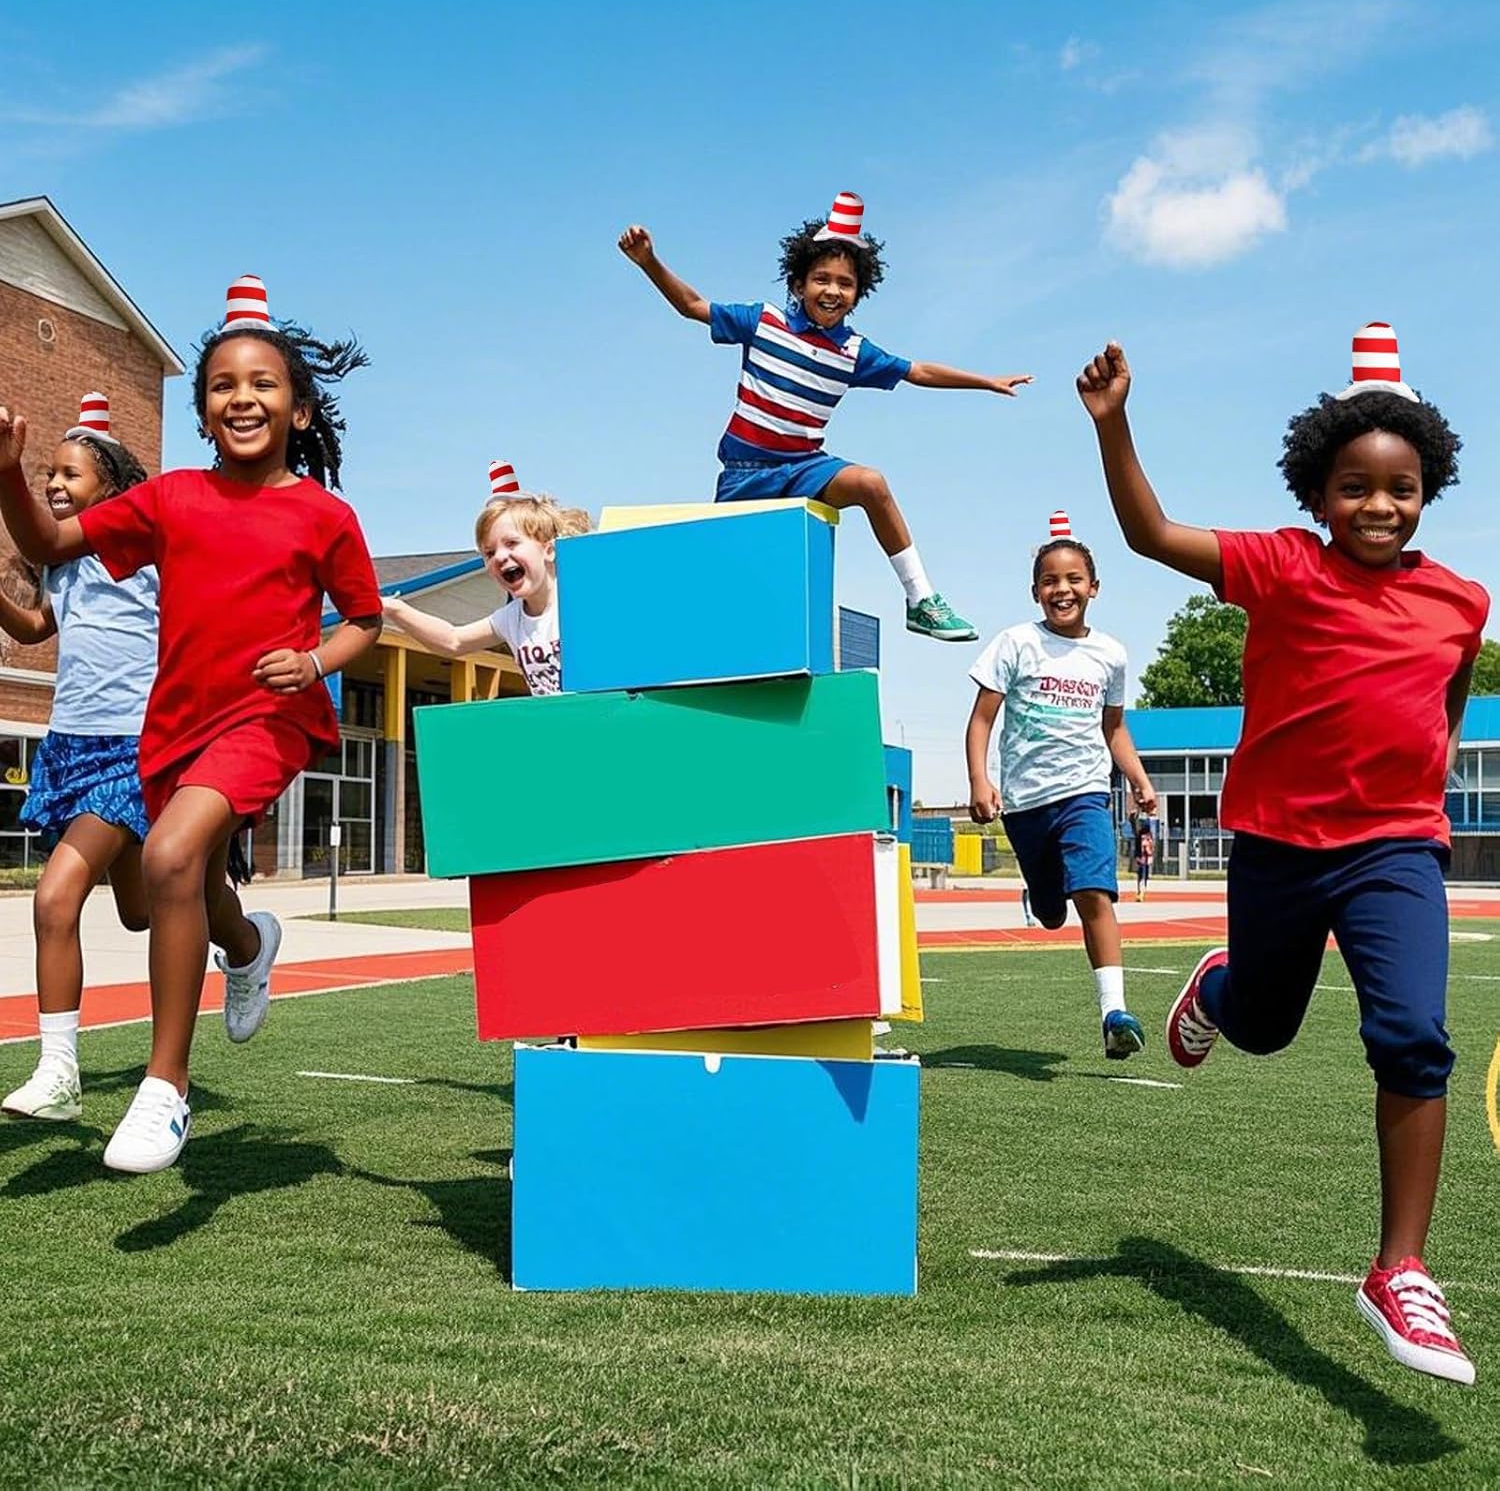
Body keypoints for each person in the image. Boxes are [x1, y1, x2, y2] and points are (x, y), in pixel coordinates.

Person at [1077, 324, 1486, 1386]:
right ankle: (1218, 987)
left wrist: (1417, 800)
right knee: (1262, 1023)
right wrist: (1115, 426)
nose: (1380, 506)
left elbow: (1442, 710)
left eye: (1401, 488)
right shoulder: (1278, 564)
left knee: (1412, 1036)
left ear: (1429, 488)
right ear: (1318, 491)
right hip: (1276, 849)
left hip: (1397, 848)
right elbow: (1151, 533)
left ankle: (1399, 1269)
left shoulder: (1462, 603)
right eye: (1355, 486)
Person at [0, 275, 383, 1173]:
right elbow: (53, 546)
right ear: (203, 413)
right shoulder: (170, 499)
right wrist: (6, 475)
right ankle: (248, 945)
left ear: (296, 410)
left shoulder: (326, 515)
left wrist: (317, 663)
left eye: (263, 384)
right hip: (173, 728)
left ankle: (164, 1089)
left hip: (269, 716)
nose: (242, 397)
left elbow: (366, 620)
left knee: (169, 857)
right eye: (221, 386)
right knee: (185, 885)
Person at [618, 192, 1032, 641]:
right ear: (798, 284)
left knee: (871, 483)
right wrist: (649, 262)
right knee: (725, 582)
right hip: (745, 474)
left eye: (845, 283)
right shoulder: (764, 321)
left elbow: (919, 371)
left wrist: (987, 381)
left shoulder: (855, 352)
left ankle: (920, 599)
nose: (832, 290)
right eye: (821, 279)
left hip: (805, 467)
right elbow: (693, 306)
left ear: (858, 294)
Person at [0, 396, 154, 1121]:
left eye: (69, 474)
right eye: (49, 473)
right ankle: (235, 925)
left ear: (113, 489)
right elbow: (36, 630)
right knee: (139, 913)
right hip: (71, 744)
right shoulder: (60, 567)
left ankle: (59, 1071)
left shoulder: (148, 557)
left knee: (55, 895)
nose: (56, 484)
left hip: (133, 745)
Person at [965, 513, 1157, 1058]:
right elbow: (981, 721)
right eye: (1050, 580)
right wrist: (981, 779)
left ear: (1093, 588)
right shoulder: (1016, 643)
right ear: (1035, 592)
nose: (1062, 589)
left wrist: (1139, 779)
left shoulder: (1110, 654)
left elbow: (1114, 728)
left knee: (1093, 893)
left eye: (1073, 579)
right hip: (1026, 804)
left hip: (1085, 793)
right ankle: (1041, 895)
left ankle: (1114, 1013)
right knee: (1053, 913)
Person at [382, 467, 591, 696]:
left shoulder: (579, 602)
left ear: (549, 550)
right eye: (489, 553)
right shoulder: (511, 618)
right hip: (559, 722)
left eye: (512, 543)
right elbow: (453, 640)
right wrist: (394, 608)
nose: (500, 557)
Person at [1134, 821, 1155, 902]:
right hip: (1143, 858)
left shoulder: (1142, 837)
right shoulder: (1147, 837)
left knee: (1141, 875)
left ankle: (1140, 892)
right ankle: (1141, 892)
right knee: (1143, 875)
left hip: (1143, 858)